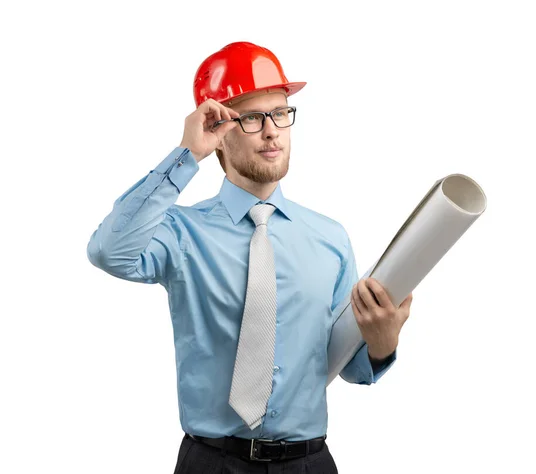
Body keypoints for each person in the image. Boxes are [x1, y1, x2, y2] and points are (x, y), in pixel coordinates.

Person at [87, 41, 413, 473]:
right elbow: (109, 251)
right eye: (252, 118)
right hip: (211, 462)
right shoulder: (181, 232)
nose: (272, 130)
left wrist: (382, 343)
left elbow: (347, 367)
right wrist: (187, 155)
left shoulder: (330, 239)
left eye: (279, 113)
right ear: (219, 131)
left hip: (309, 465)